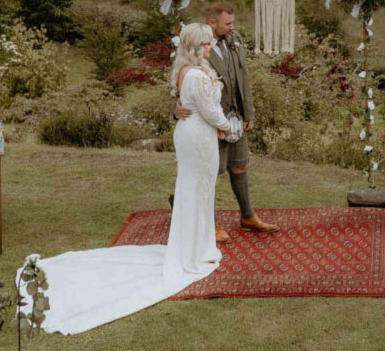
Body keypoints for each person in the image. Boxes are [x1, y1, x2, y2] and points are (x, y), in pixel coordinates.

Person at [17, 23, 233, 335]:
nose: (210, 48)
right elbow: (211, 111)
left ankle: (194, 244)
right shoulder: (197, 75)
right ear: (194, 46)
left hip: (191, 134)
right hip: (199, 136)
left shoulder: (185, 70)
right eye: (206, 44)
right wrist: (228, 127)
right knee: (198, 189)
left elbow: (191, 105)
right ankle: (194, 251)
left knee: (194, 189)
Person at [173, 2, 278, 242]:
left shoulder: (234, 39)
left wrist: (248, 112)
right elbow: (178, 78)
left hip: (236, 119)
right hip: (211, 122)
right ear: (212, 23)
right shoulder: (196, 45)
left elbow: (243, 76)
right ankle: (210, 221)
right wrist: (176, 107)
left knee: (240, 166)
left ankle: (248, 216)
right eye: (227, 23)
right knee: (210, 172)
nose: (232, 27)